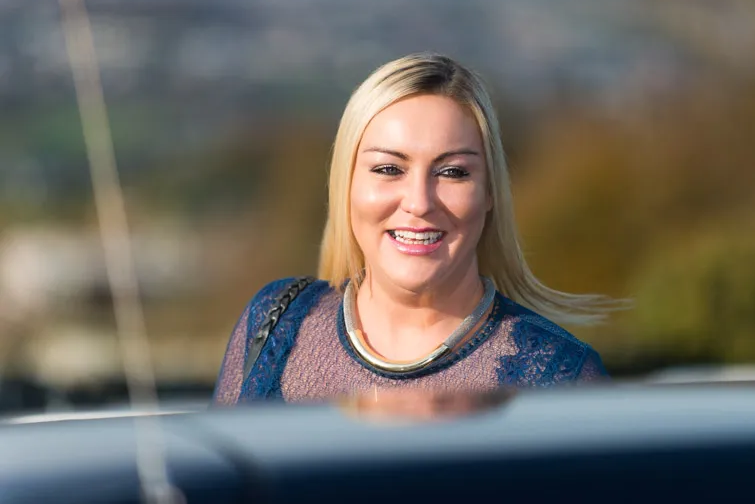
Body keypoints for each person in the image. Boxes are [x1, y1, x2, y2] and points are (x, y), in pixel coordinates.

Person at [213, 52, 622, 405]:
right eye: (389, 169)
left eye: (452, 172)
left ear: (490, 192)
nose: (419, 202)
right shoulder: (274, 322)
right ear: (346, 184)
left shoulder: (563, 376)